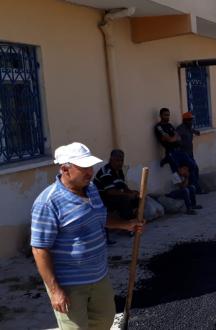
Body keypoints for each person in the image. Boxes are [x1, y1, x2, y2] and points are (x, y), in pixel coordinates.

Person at [31, 142, 142, 329]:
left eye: (90, 166)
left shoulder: (91, 190)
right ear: (65, 169)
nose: (90, 172)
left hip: (99, 277)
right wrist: (55, 290)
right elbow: (40, 249)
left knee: (104, 323)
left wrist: (126, 225)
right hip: (70, 285)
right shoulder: (48, 203)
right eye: (83, 167)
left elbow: (98, 218)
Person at [154, 108, 201, 192]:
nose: (167, 116)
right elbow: (170, 139)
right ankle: (182, 192)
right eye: (165, 115)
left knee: (192, 166)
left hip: (179, 151)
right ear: (160, 115)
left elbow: (176, 138)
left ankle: (190, 189)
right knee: (176, 174)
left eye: (168, 115)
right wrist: (173, 138)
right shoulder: (159, 127)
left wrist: (173, 138)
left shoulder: (170, 125)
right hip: (171, 152)